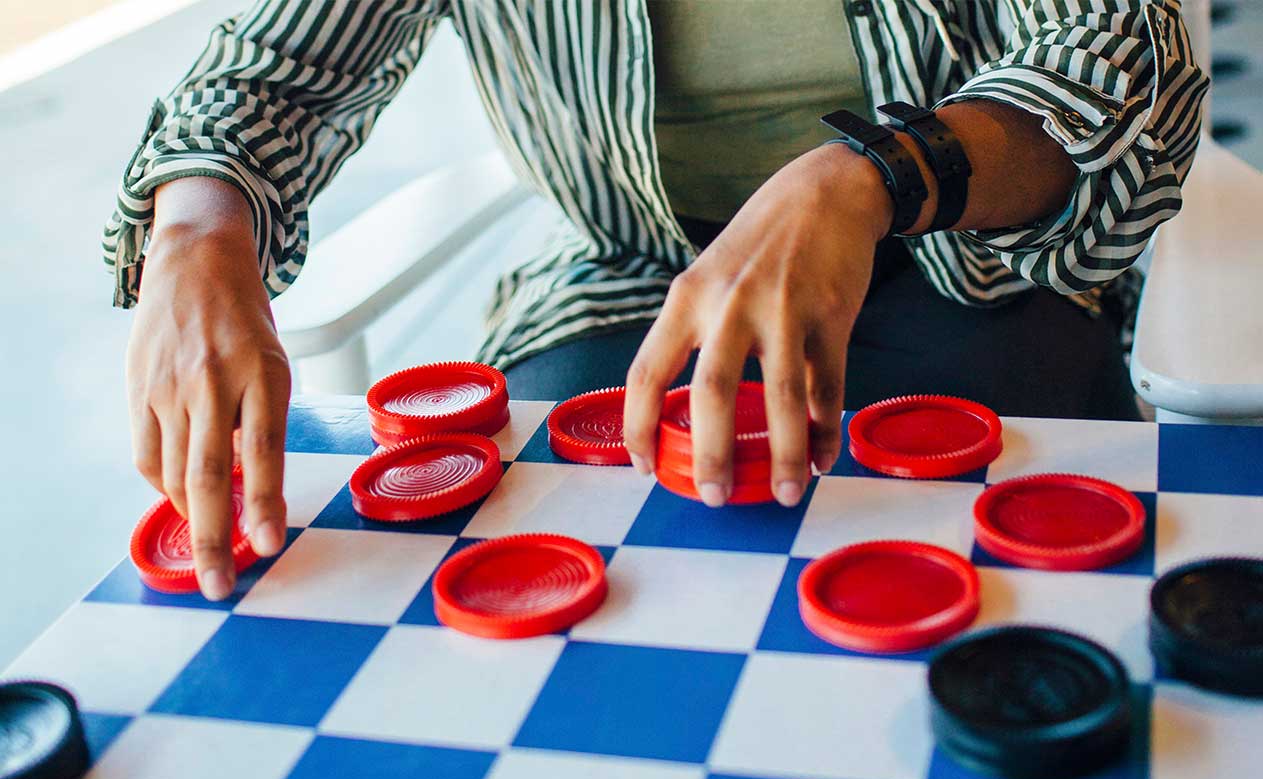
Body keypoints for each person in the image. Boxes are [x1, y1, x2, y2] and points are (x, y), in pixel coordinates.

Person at [107, 1, 1207, 600]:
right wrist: (195, 234)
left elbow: (1116, 50)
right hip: (632, 276)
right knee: (531, 555)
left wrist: (871, 176)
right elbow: (272, 75)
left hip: (969, 263)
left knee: (1027, 586)